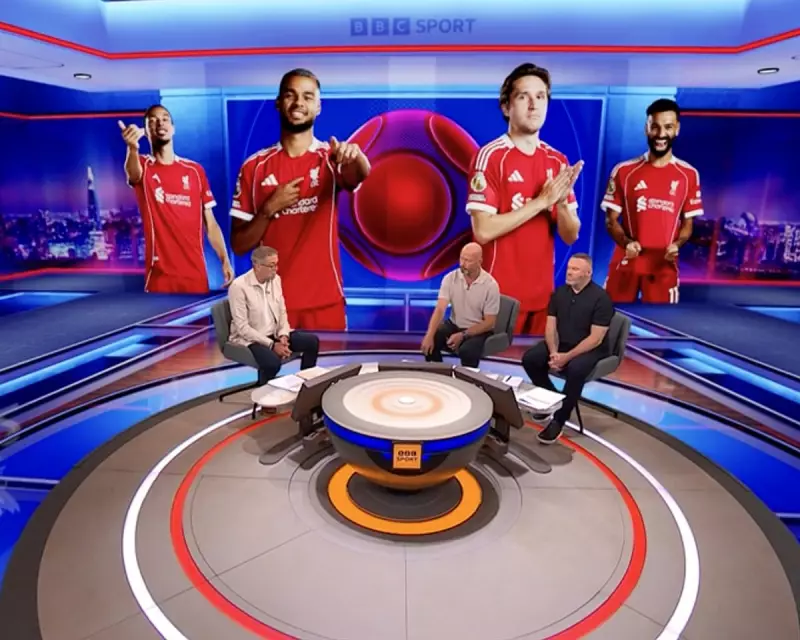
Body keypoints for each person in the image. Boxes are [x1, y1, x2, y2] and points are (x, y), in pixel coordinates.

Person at [229, 68, 370, 331]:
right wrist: (269, 209)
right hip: (271, 306)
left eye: (307, 96)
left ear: (318, 107)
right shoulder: (254, 167)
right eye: (290, 95)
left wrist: (357, 156)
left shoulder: (332, 158)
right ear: (278, 103)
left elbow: (359, 173)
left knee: (333, 362)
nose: (298, 103)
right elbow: (238, 244)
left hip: (325, 304)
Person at [465, 62, 584, 336]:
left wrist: (561, 203)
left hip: (542, 300)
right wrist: (541, 202)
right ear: (507, 107)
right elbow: (483, 230)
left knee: (534, 365)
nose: (533, 105)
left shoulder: (557, 160)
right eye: (523, 97)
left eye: (540, 97)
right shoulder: (490, 157)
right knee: (490, 364)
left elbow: (570, 235)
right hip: (497, 299)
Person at [119, 105, 233, 293]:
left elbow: (211, 224)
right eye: (153, 121)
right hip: (160, 278)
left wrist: (224, 260)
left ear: (173, 128)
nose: (160, 123)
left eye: (165, 119)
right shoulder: (143, 165)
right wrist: (132, 148)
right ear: (146, 131)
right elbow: (133, 173)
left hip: (196, 275)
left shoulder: (195, 171)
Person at [601, 98, 704, 304]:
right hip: (627, 260)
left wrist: (677, 244)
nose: (661, 134)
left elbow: (688, 224)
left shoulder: (688, 175)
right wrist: (627, 243)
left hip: (664, 265)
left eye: (668, 127)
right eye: (655, 127)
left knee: (663, 322)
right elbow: (611, 221)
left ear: (677, 129)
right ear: (646, 128)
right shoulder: (624, 171)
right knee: (610, 319)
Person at [521, 254, 613, 444]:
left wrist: (566, 357)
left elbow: (595, 338)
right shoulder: (560, 293)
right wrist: (554, 352)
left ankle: (559, 419)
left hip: (591, 348)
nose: (569, 272)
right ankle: (554, 400)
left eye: (575, 269)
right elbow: (550, 327)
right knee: (530, 359)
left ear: (588, 273)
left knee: (576, 369)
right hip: (562, 344)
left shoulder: (601, 298)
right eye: (569, 268)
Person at [227, 246, 320, 384]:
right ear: (257, 266)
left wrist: (283, 336)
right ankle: (263, 393)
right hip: (252, 339)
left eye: (276, 264)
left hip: (275, 334)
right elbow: (242, 328)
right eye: (271, 266)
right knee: (272, 363)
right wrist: (272, 345)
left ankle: (306, 385)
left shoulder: (276, 280)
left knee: (312, 342)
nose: (276, 269)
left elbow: (282, 312)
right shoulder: (239, 287)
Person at [421, 242, 500, 368]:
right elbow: (440, 309)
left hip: (478, 329)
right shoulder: (450, 278)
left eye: (468, 261)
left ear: (479, 261)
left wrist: (463, 335)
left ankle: (468, 379)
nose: (462, 264)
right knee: (431, 342)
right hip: (454, 324)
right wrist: (429, 334)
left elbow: (489, 322)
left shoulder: (490, 285)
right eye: (462, 258)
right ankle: (439, 373)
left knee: (467, 351)